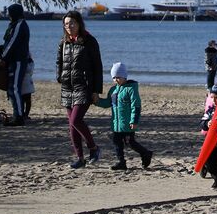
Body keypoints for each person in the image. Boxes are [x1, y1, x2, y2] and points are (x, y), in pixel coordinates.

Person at [57, 10, 104, 169]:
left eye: (71, 23)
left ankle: (94, 148)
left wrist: (96, 90)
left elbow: (98, 67)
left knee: (76, 120)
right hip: (67, 87)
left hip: (84, 87)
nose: (69, 26)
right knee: (72, 125)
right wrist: (60, 77)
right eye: (66, 24)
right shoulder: (64, 42)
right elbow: (59, 62)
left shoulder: (89, 41)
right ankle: (80, 158)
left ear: (79, 23)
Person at [96, 62, 151, 170]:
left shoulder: (131, 89)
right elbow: (107, 103)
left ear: (125, 76)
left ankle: (146, 153)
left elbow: (136, 106)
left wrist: (134, 121)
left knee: (130, 142)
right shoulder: (113, 90)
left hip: (128, 124)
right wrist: (97, 101)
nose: (116, 80)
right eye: (114, 77)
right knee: (116, 142)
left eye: (118, 77)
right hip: (116, 124)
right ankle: (121, 162)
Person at [1, 4, 31, 126]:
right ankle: (16, 114)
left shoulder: (19, 25)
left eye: (10, 13)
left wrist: (3, 57)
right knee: (11, 88)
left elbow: (12, 42)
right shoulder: (14, 25)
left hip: (18, 60)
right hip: (13, 61)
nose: (8, 15)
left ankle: (19, 116)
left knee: (15, 88)